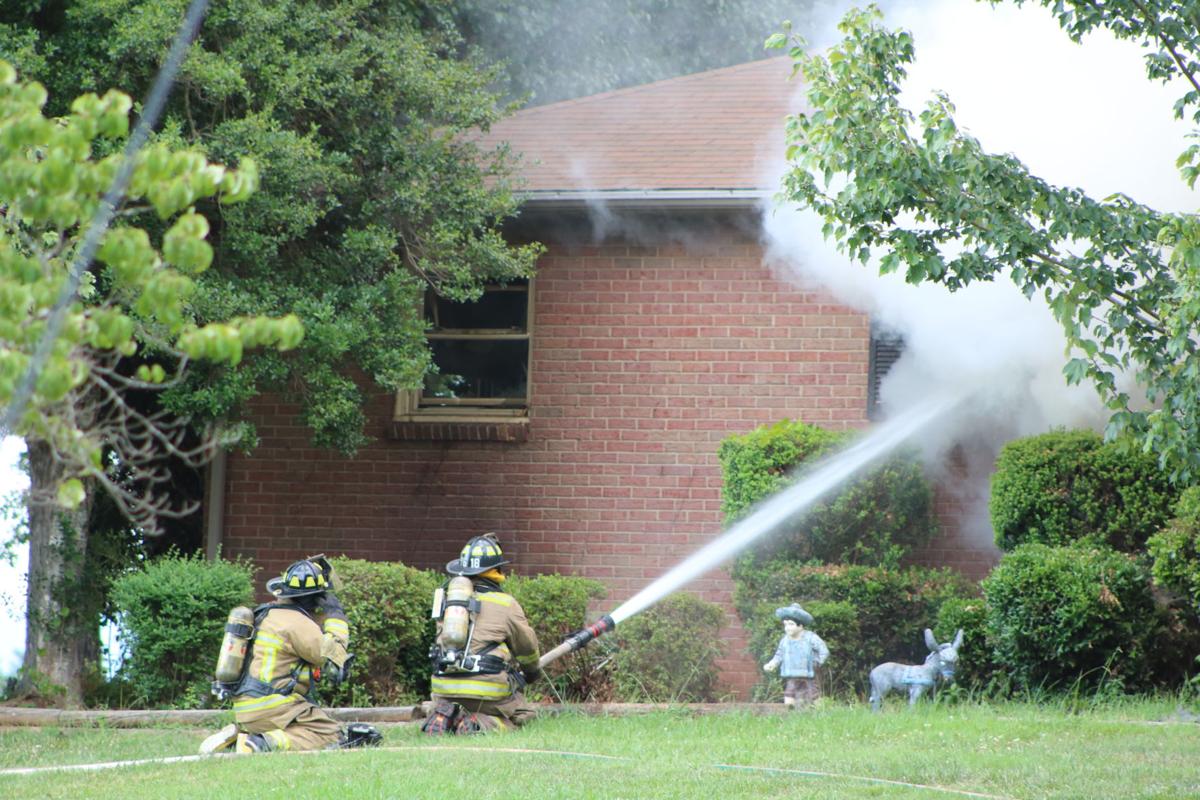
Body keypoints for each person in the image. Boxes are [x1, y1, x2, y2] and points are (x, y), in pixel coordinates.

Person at [200, 557, 361, 754]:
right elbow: (333, 657)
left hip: (247, 708)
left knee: (306, 725)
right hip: (274, 707)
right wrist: (336, 617)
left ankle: (239, 736)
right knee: (331, 735)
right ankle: (260, 743)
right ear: (315, 598)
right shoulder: (298, 623)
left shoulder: (265, 614)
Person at [421, 533, 542, 735]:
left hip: (444, 688)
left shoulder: (451, 602)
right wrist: (532, 672)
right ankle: (482, 723)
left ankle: (443, 716)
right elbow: (526, 647)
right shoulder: (505, 603)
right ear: (496, 570)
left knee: (450, 701)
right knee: (522, 712)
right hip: (487, 692)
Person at [763, 603, 829, 708]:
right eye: (785, 624)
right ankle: (789, 713)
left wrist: (816, 662)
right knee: (789, 693)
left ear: (800, 625)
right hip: (791, 674)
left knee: (813, 694)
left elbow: (823, 650)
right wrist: (772, 664)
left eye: (791, 624)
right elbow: (779, 654)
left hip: (808, 674)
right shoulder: (785, 640)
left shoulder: (810, 637)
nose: (787, 628)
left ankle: (822, 712)